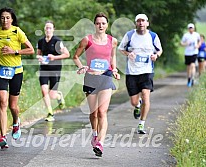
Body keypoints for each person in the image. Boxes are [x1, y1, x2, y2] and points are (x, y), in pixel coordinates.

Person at [73, 12, 120, 157]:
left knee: (102, 112)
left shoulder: (113, 41)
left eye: (103, 23)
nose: (100, 25)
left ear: (107, 25)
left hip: (106, 77)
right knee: (93, 113)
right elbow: (75, 56)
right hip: (91, 78)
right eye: (98, 23)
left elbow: (112, 57)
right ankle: (94, 133)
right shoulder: (87, 40)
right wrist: (82, 66)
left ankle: (100, 142)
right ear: (94, 24)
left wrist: (115, 70)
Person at [0, 7, 34, 149]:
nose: (5, 20)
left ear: (12, 19)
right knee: (2, 102)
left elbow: (30, 49)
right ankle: (2, 136)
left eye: (7, 17)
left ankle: (15, 122)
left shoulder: (17, 31)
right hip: (0, 70)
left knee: (13, 106)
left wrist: (15, 51)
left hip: (16, 72)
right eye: (2, 17)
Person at [118, 14, 163, 134]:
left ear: (147, 23)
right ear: (135, 23)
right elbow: (121, 48)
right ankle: (137, 106)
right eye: (139, 21)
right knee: (133, 101)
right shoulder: (129, 35)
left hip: (147, 71)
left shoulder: (153, 36)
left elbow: (159, 49)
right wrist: (128, 54)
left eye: (143, 21)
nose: (141, 23)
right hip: (132, 72)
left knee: (145, 95)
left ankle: (141, 124)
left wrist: (156, 55)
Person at [36, 20, 70, 122]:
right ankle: (50, 112)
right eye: (46, 28)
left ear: (53, 29)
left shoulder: (57, 41)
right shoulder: (40, 41)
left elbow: (67, 54)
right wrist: (40, 58)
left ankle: (58, 96)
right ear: (44, 29)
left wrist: (54, 57)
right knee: (44, 90)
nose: (48, 30)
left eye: (50, 28)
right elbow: (38, 54)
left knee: (52, 95)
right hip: (44, 69)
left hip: (55, 69)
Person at [180, 23, 200, 87]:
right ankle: (189, 78)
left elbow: (200, 41)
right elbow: (181, 43)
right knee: (188, 67)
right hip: (187, 53)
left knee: (193, 65)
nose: (191, 29)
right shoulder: (186, 35)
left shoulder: (196, 35)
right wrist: (186, 43)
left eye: (192, 28)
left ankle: (193, 78)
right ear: (188, 29)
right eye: (189, 28)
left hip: (194, 52)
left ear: (194, 28)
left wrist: (198, 45)